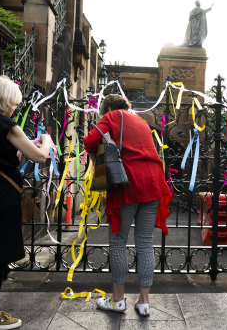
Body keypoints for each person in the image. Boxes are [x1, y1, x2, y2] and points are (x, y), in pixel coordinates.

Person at [0, 75, 52, 329]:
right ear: (4, 100)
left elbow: (4, 158)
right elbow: (39, 157)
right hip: (2, 193)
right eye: (13, 102)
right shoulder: (7, 124)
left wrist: (20, 150)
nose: (15, 107)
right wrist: (45, 141)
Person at [83, 94, 172, 317]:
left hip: (127, 183)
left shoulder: (113, 115)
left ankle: (118, 300)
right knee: (144, 242)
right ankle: (144, 302)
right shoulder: (141, 120)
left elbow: (89, 141)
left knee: (118, 240)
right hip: (153, 182)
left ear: (110, 107)